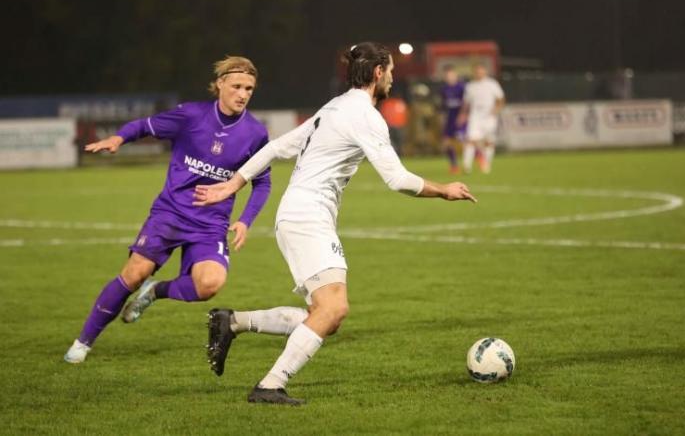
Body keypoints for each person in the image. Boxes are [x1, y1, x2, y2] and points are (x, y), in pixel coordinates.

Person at [193, 42, 478, 405]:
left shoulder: (335, 107)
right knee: (334, 309)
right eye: (389, 71)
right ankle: (269, 386)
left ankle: (232, 322)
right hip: (307, 216)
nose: (392, 77)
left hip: (299, 214)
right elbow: (398, 180)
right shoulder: (365, 115)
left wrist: (234, 183)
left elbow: (276, 147)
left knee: (325, 315)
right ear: (378, 73)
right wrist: (444, 190)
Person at [63, 56, 272, 364]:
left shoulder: (255, 133)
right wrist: (120, 138)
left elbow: (262, 183)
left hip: (210, 224)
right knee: (133, 274)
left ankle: (156, 291)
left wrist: (244, 221)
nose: (243, 94)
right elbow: (145, 126)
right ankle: (83, 343)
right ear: (220, 85)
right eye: (237, 86)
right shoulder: (191, 115)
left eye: (249, 89)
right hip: (170, 214)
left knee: (209, 285)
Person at [458, 63, 505, 174]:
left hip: (489, 117)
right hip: (475, 116)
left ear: (485, 72)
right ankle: (467, 166)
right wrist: (463, 114)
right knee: (470, 140)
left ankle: (486, 164)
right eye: (477, 71)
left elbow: (500, 99)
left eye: (481, 71)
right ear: (474, 73)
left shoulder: (492, 84)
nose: (479, 73)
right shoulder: (470, 86)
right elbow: (466, 103)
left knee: (488, 142)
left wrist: (496, 110)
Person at [439, 65, 467, 174]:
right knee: (446, 142)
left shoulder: (462, 87)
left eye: (451, 75)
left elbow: (467, 103)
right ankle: (454, 165)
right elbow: (443, 105)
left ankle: (475, 157)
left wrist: (464, 115)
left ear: (456, 76)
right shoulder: (444, 89)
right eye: (447, 76)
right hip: (450, 118)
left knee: (463, 142)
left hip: (460, 117)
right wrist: (442, 117)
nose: (449, 77)